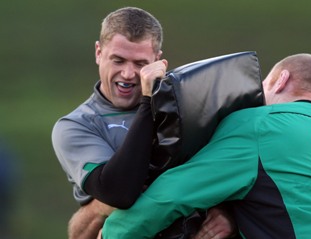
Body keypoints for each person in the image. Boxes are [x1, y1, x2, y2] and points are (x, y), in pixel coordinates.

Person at [101, 53, 311, 239]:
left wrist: (115, 232)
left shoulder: (259, 124)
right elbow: (291, 205)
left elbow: (174, 194)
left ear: (280, 80)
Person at [52, 7, 235, 239]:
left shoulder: (189, 104)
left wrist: (230, 215)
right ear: (98, 52)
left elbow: (232, 165)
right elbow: (119, 192)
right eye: (118, 60)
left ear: (158, 61)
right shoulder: (76, 126)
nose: (128, 74)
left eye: (140, 64)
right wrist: (149, 102)